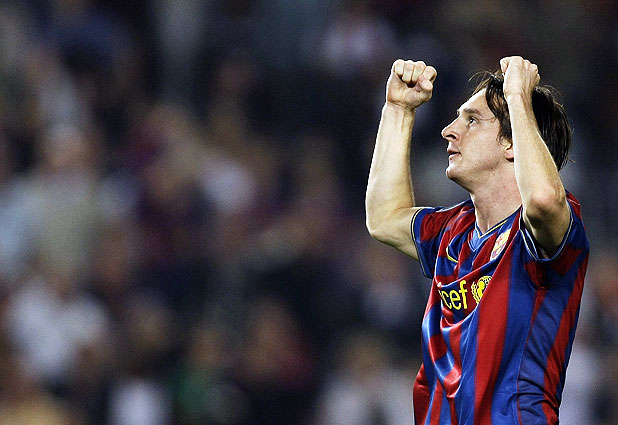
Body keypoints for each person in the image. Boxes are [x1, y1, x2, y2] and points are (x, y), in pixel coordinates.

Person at [365, 56, 589, 425]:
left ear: (512, 143)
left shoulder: (547, 233)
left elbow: (544, 199)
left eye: (471, 120)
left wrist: (518, 96)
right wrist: (398, 110)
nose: (448, 130)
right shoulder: (452, 231)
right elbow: (384, 219)